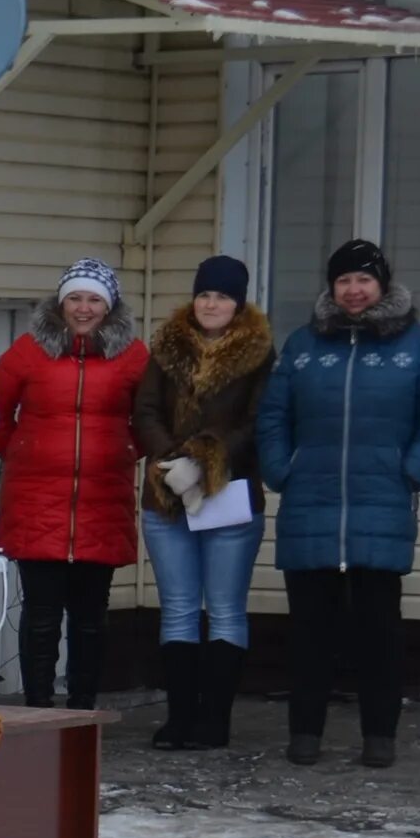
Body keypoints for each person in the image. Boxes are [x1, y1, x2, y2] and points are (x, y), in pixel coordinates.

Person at [256, 239, 420, 769]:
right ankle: (305, 734)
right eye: (344, 280)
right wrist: (281, 470)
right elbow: (273, 415)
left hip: (380, 505)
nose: (353, 290)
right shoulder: (302, 344)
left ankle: (379, 737)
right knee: (309, 634)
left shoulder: (418, 344)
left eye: (363, 280)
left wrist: (411, 471)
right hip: (310, 506)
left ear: (382, 285)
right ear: (332, 287)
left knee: (379, 634)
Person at [0, 259, 147, 707]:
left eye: (93, 299)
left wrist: (125, 450)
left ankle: (82, 711)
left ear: (108, 306)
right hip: (36, 503)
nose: (83, 308)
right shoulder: (27, 351)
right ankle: (38, 709)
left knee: (90, 618)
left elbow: (151, 416)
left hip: (103, 502)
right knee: (40, 616)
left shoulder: (132, 356)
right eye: (75, 298)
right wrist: (22, 452)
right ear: (60, 303)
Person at [131, 255, 274, 750]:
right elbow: (145, 409)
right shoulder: (167, 348)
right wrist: (173, 464)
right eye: (205, 294)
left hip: (230, 497)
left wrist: (205, 460)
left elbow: (257, 423)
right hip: (167, 496)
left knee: (227, 610)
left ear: (238, 304)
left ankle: (215, 719)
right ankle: (180, 719)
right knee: (178, 610)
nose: (212, 304)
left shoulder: (259, 354)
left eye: (223, 296)